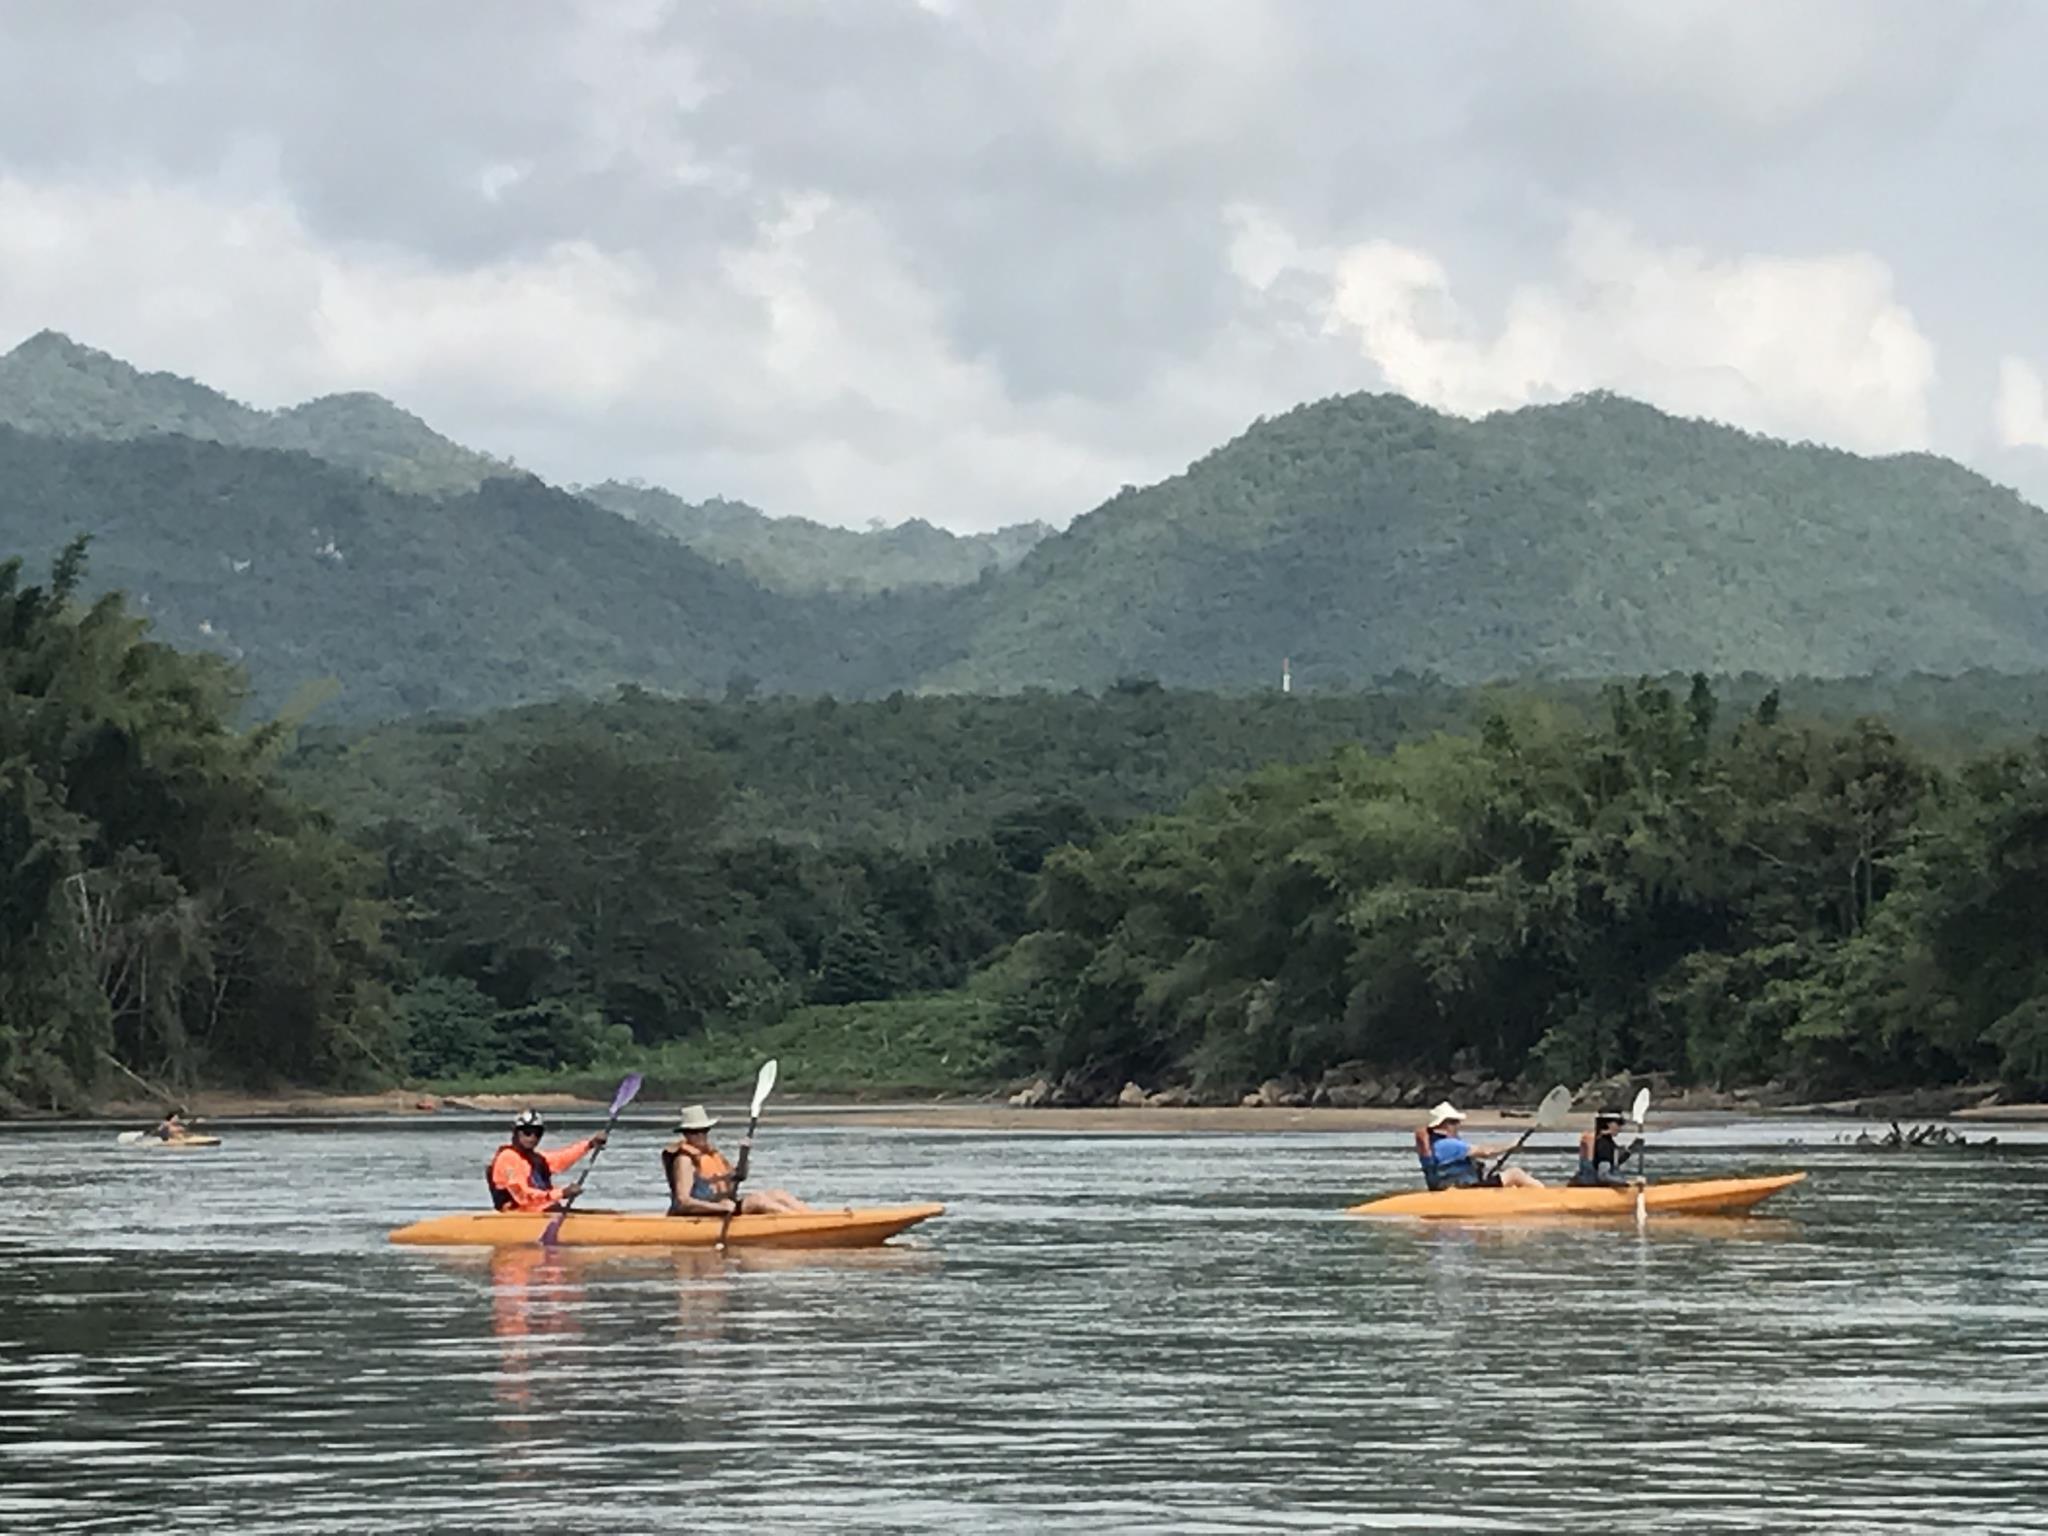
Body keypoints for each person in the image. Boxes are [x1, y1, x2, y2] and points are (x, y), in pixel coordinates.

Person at [662, 1104, 810, 1217]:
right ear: (686, 1134)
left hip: (723, 1206)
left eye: (704, 1130)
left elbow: (739, 1176)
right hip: (698, 1214)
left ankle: (811, 1217)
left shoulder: (711, 1154)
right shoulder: (684, 1160)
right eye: (694, 1132)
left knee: (778, 1194)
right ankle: (800, 1224)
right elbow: (683, 1202)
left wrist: (744, 1155)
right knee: (757, 1200)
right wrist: (720, 1208)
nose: (701, 1135)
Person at [486, 1108, 608, 1212]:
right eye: (527, 1132)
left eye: (537, 1133)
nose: (532, 1138)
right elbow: (522, 1196)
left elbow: (562, 1159)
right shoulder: (508, 1158)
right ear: (517, 1133)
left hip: (543, 1212)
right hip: (518, 1215)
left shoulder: (535, 1158)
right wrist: (561, 1193)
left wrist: (590, 1144)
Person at [1414, 1102, 1542, 1190]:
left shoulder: (1433, 1145)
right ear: (1443, 1125)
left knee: (1507, 1181)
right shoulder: (1448, 1145)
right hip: (1463, 1191)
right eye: (1453, 1122)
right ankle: (1546, 1195)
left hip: (1456, 1188)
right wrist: (1511, 1145)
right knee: (1515, 1174)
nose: (1457, 1126)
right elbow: (1486, 1152)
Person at [1570, 1108, 1643, 1189]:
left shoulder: (1601, 1141)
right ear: (1608, 1124)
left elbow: (1611, 1162)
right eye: (1618, 1123)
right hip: (1593, 1190)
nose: (1620, 1127)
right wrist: (1625, 1183)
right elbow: (1603, 1176)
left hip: (1587, 1186)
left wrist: (1631, 1149)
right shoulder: (1604, 1144)